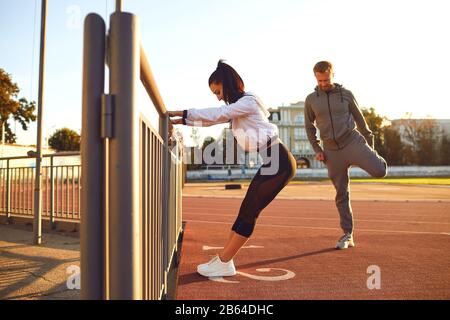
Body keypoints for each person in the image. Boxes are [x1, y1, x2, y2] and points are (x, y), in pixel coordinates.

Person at [169, 60, 296, 277]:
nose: (218, 96)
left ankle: (225, 261)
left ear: (227, 84)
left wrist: (180, 112)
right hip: (272, 160)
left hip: (279, 161)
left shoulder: (248, 101)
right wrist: (181, 120)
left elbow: (217, 114)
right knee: (246, 210)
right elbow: (211, 120)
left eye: (218, 91)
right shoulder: (237, 110)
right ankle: (224, 260)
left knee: (249, 212)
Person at [304, 61, 387, 250]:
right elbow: (309, 127)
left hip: (352, 142)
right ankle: (347, 235)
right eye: (320, 80)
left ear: (332, 75)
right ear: (315, 77)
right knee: (342, 193)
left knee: (380, 171)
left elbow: (361, 120)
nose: (323, 83)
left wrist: (369, 145)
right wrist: (318, 150)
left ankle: (374, 159)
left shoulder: (346, 95)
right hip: (331, 152)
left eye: (326, 79)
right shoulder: (311, 99)